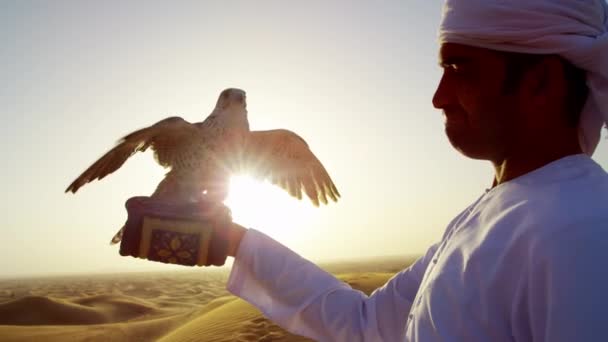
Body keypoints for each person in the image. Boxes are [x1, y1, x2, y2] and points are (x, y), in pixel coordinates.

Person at [216, 1, 608, 341]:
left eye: (459, 69)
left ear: (541, 84)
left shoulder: (580, 231)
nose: (439, 98)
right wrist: (232, 240)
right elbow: (367, 324)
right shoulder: (490, 216)